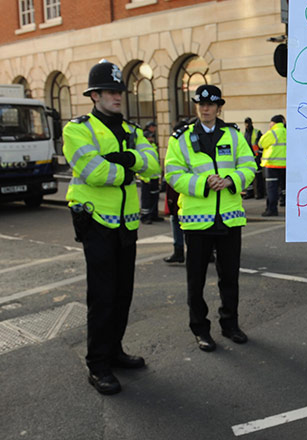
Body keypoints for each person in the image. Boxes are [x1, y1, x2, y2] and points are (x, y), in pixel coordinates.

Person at [62, 60, 160, 395]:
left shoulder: (132, 131)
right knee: (102, 297)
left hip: (126, 223)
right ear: (94, 95)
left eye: (119, 91)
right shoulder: (78, 129)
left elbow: (153, 165)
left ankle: (115, 351)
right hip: (96, 222)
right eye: (109, 91)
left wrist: (125, 161)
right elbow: (93, 171)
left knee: (122, 294)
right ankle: (98, 364)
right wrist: (130, 168)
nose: (117, 96)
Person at [164, 85, 256, 351]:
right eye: (200, 104)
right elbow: (172, 173)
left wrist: (230, 180)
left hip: (229, 220)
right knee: (196, 281)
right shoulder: (180, 137)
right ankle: (200, 329)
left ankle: (230, 324)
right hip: (196, 222)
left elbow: (249, 166)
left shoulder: (233, 134)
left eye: (210, 104)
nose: (205, 108)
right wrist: (204, 182)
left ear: (219, 107)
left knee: (230, 278)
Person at [259, 114, 287, 216]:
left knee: (272, 189)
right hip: (285, 166)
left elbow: (261, 143)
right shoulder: (287, 132)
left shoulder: (272, 133)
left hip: (272, 166)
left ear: (273, 123)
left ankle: (272, 209)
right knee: (284, 187)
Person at [139, 126, 164, 224]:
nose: (151, 139)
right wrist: (144, 178)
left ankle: (154, 215)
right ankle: (145, 217)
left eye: (152, 137)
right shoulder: (141, 148)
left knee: (155, 197)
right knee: (146, 200)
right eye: (149, 137)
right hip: (146, 179)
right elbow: (141, 164)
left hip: (154, 177)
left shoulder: (153, 147)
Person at [243, 117, 264, 200]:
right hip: (248, 157)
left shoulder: (257, 132)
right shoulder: (244, 133)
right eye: (246, 123)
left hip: (256, 157)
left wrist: (259, 155)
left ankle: (260, 193)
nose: (247, 125)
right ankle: (250, 192)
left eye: (248, 123)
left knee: (258, 176)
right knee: (249, 176)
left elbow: (261, 144)